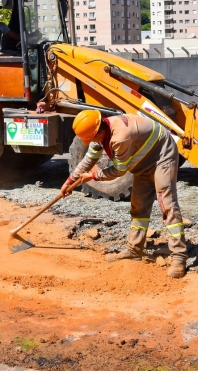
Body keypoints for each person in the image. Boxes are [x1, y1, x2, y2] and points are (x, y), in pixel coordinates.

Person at [63, 110, 188, 279]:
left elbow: (119, 170)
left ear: (99, 132)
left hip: (161, 156)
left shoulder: (120, 137)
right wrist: (70, 182)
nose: (91, 142)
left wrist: (93, 176)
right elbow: (88, 160)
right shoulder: (101, 130)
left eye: (92, 138)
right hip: (142, 162)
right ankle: (134, 250)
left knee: (167, 204)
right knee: (138, 206)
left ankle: (179, 256)